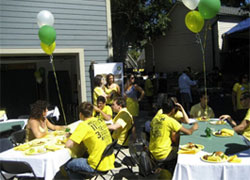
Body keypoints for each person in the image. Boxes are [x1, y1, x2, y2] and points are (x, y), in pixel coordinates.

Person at [65, 102, 115, 179]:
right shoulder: (100, 120)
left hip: (97, 165)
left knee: (68, 165)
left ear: (80, 114)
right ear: (92, 112)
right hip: (109, 160)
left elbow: (68, 145)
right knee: (82, 153)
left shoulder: (83, 125)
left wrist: (68, 135)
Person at [149, 97, 198, 164]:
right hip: (163, 154)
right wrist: (194, 127)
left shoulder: (155, 118)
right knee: (183, 152)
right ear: (172, 110)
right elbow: (188, 132)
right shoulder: (170, 121)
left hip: (152, 153)